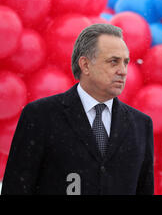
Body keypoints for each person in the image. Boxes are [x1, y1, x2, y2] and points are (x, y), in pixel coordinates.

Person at [1, 24, 154, 195]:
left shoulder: (141, 124)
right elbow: (15, 188)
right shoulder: (40, 116)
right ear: (85, 65)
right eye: (113, 61)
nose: (123, 71)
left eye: (125, 62)